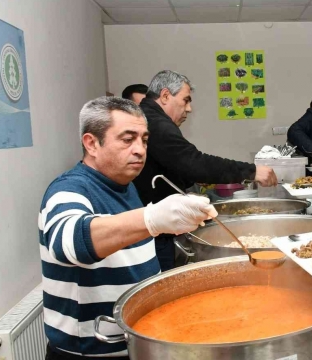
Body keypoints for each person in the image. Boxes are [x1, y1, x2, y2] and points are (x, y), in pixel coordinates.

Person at [39, 97, 217, 359]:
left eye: (144, 140)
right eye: (127, 139)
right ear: (91, 143)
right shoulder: (69, 188)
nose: (140, 150)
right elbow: (71, 242)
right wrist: (153, 218)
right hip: (89, 353)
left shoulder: (125, 186)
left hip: (133, 344)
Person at [133, 70, 277, 271]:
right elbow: (193, 162)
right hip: (154, 232)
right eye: (186, 100)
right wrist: (251, 171)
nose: (189, 108)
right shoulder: (155, 123)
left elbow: (180, 162)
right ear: (165, 96)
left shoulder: (150, 117)